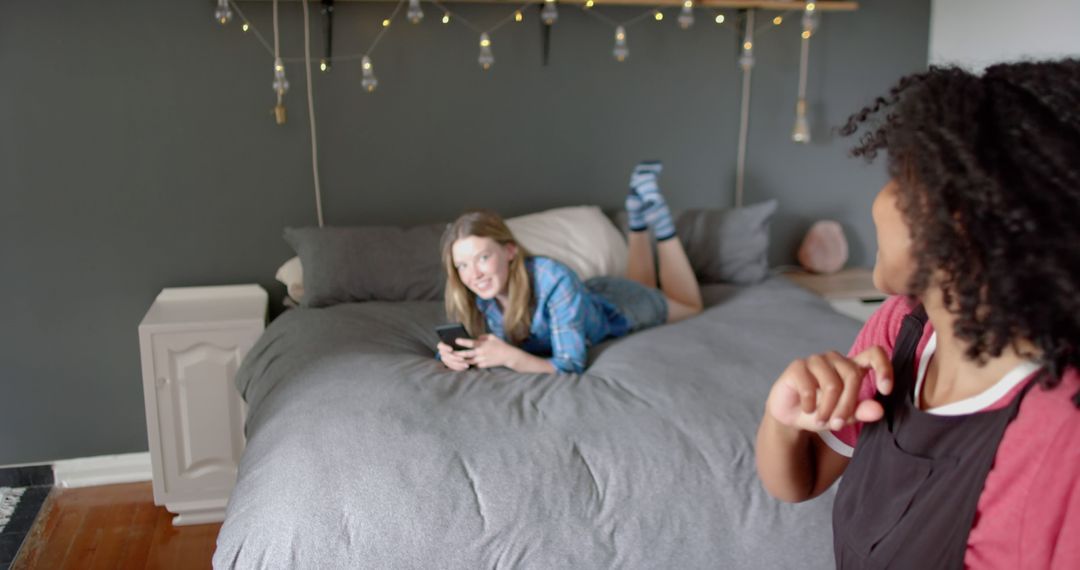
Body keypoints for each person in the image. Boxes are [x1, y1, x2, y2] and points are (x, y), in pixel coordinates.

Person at [755, 60, 1080, 568]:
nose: (878, 200)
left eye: (896, 178)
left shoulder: (1059, 436)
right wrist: (784, 415)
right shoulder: (902, 327)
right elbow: (802, 478)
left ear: (959, 217)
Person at [436, 161, 704, 374]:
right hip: (584, 297)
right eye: (462, 265)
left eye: (483, 258)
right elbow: (467, 340)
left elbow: (570, 364)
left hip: (619, 307)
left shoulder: (552, 279)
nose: (474, 274)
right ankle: (636, 213)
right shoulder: (470, 291)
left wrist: (511, 358)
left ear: (509, 251)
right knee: (645, 283)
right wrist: (448, 355)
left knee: (690, 306)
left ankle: (660, 220)